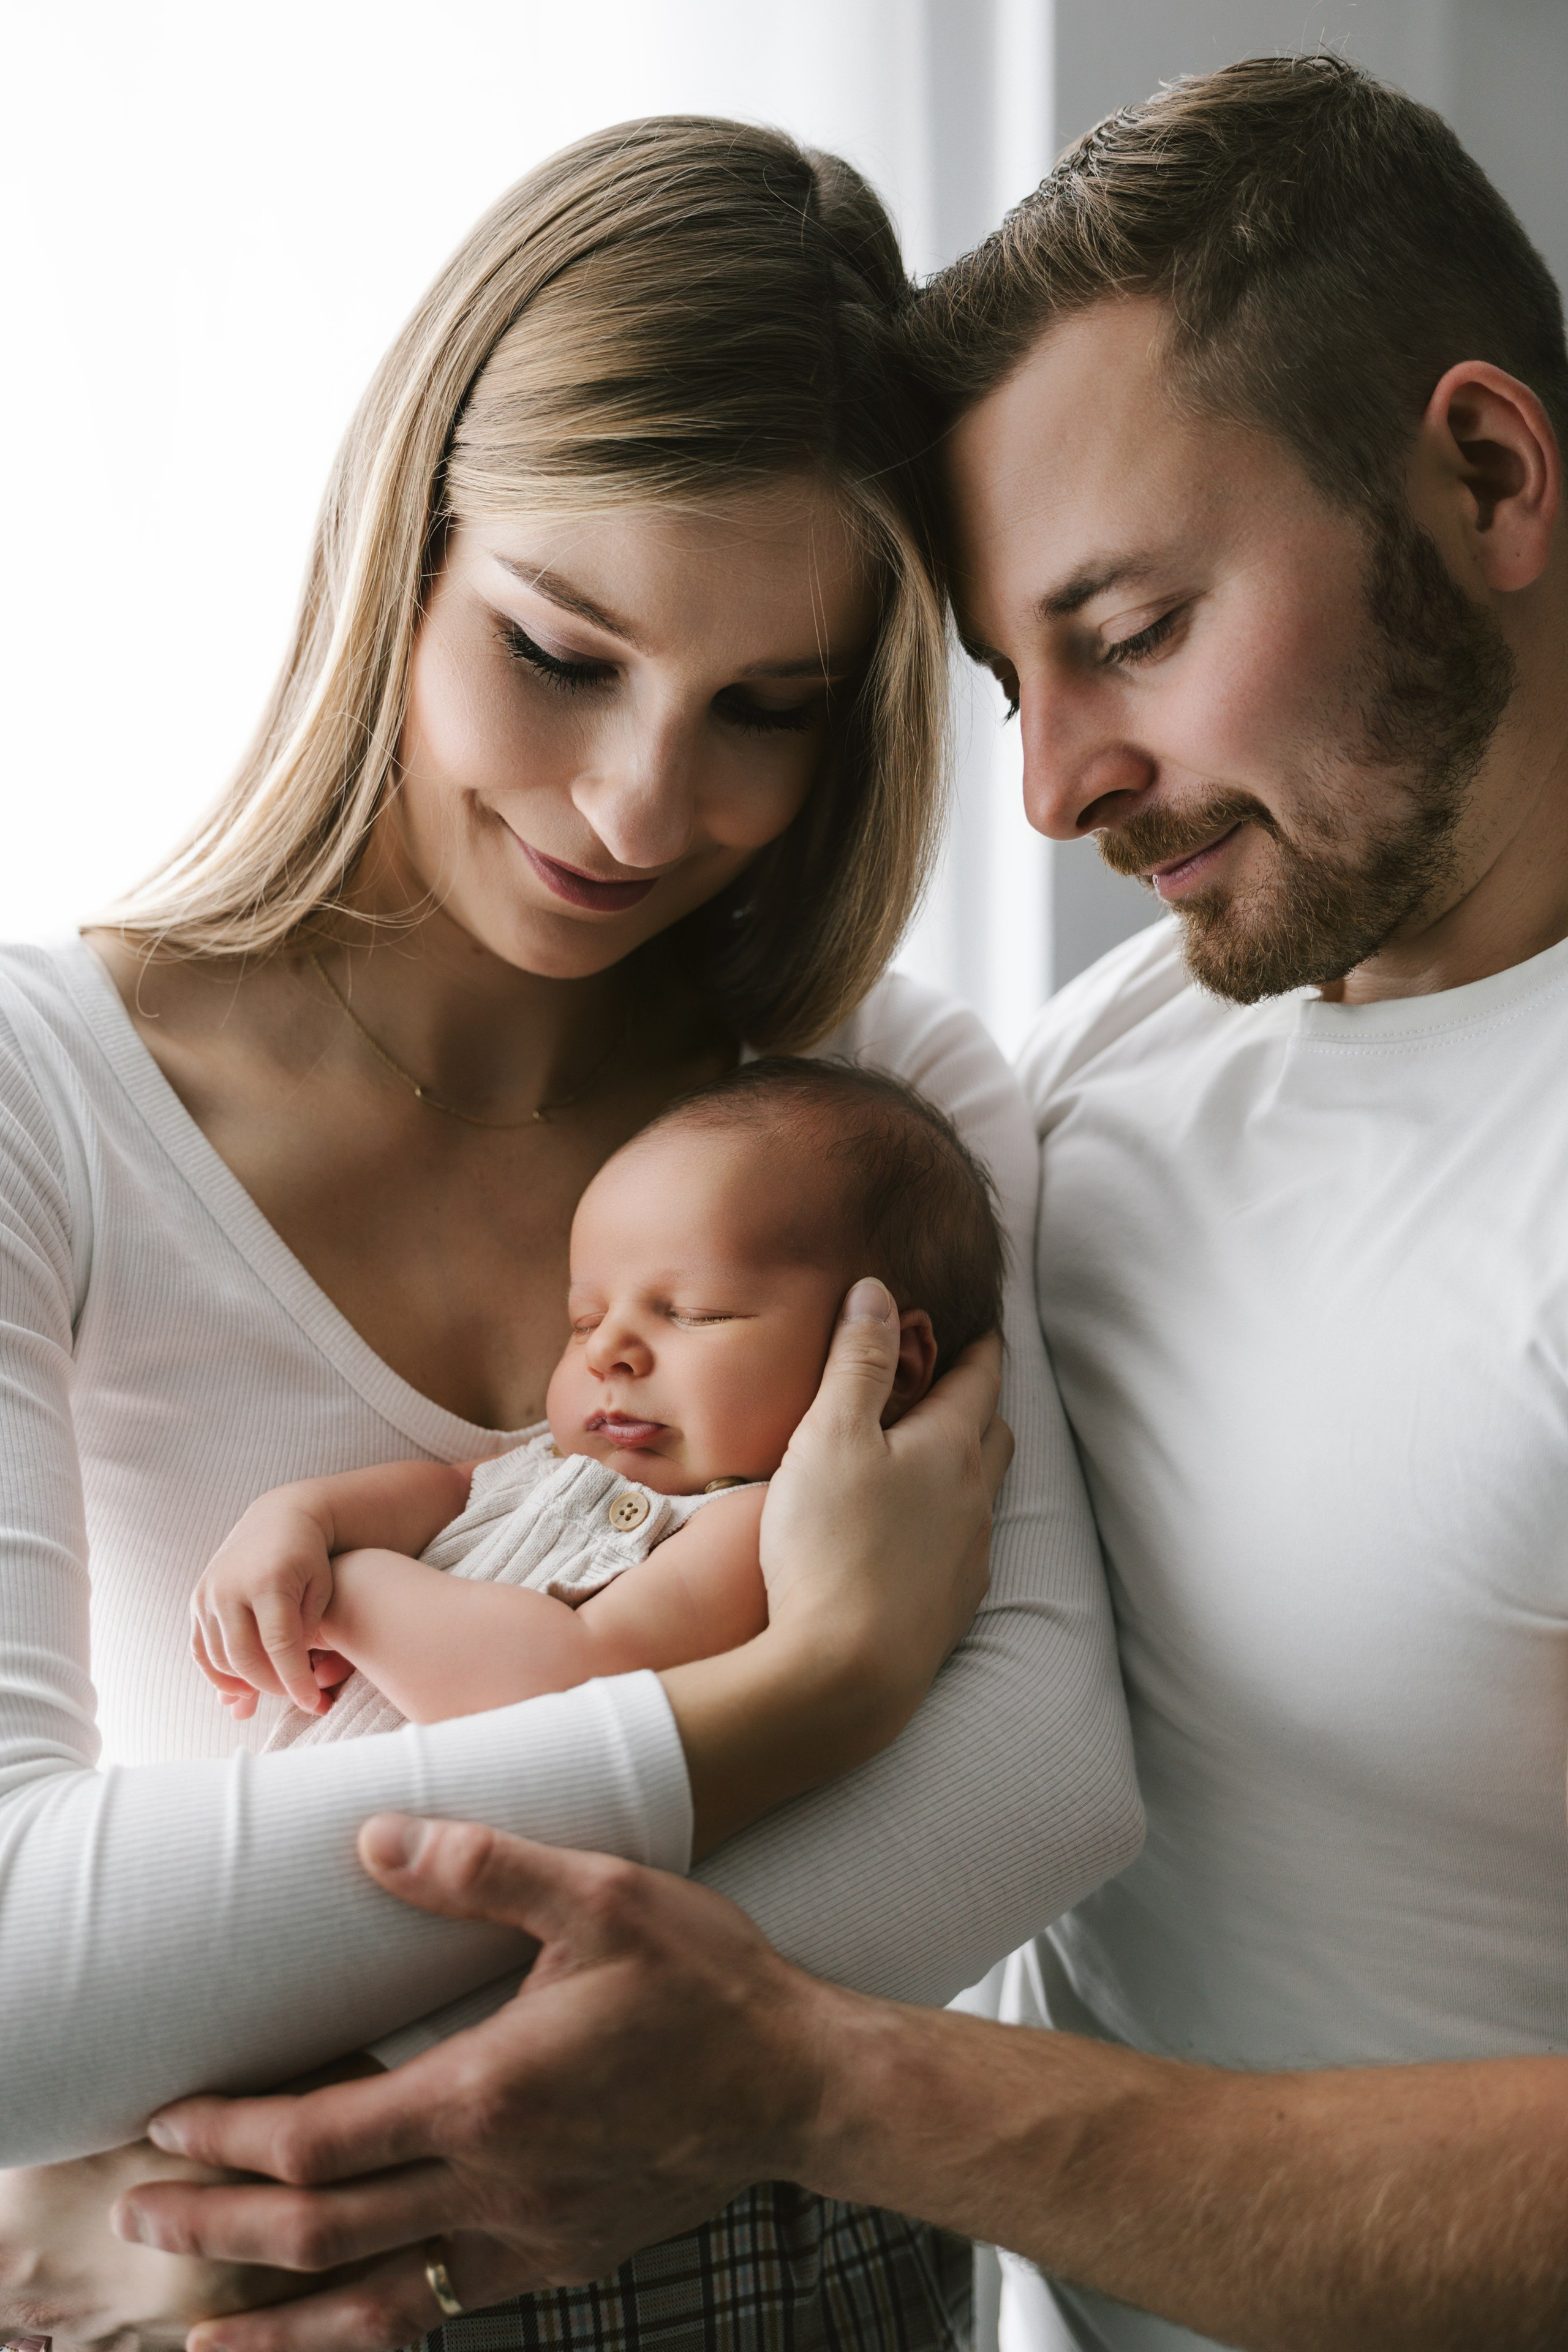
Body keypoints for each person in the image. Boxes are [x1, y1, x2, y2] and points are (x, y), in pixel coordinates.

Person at [119, 54, 1568, 2352]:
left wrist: (823, 2086)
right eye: (1015, 674)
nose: (1058, 783)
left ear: (1488, 474)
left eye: (1141, 628)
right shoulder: (1081, 1088)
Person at [0, 113, 1139, 2352]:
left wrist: (261, 2185)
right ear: (402, 556)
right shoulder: (51, 1096)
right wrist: (811, 1688)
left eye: (766, 712)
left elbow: (1039, 1793)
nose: (640, 806)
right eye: (559, 649)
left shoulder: (880, 1108)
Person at [191, 1060, 1003, 1740]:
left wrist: (351, 1591)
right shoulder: (553, 1460)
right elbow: (443, 1492)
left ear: (889, 1363)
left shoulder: (762, 1528)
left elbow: (567, 1680)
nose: (610, 1349)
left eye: (691, 1312)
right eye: (584, 1320)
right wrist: (294, 1525)